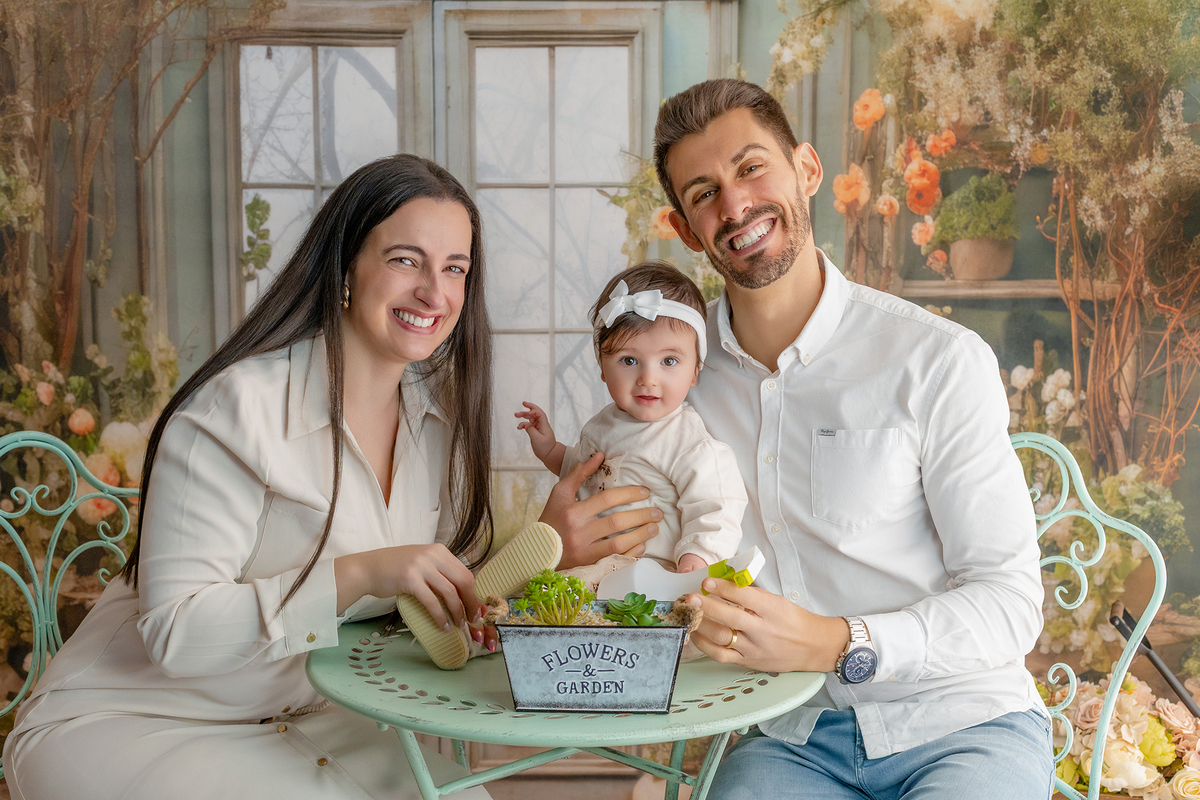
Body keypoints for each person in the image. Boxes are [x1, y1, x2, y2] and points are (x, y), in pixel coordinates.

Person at [543, 79, 1053, 798]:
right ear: (686, 230)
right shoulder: (669, 377)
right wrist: (564, 543)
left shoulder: (936, 359)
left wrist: (838, 642)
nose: (734, 206)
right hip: (791, 738)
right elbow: (618, 524)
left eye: (751, 168)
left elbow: (1008, 600)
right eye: (704, 193)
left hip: (962, 722)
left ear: (807, 170)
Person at [3, 155, 505, 800]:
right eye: (406, 260)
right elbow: (176, 635)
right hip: (133, 720)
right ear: (346, 266)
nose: (435, 293)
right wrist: (360, 573)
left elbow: (426, 604)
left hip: (310, 719)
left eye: (455, 268)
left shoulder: (435, 428)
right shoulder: (236, 409)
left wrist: (548, 551)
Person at [516, 261, 746, 586]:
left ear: (695, 371)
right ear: (602, 368)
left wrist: (698, 556)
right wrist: (550, 449)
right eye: (628, 360)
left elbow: (717, 506)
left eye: (669, 361)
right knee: (543, 591)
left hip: (657, 574)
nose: (648, 378)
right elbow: (580, 474)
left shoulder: (688, 443)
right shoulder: (600, 426)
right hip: (595, 565)